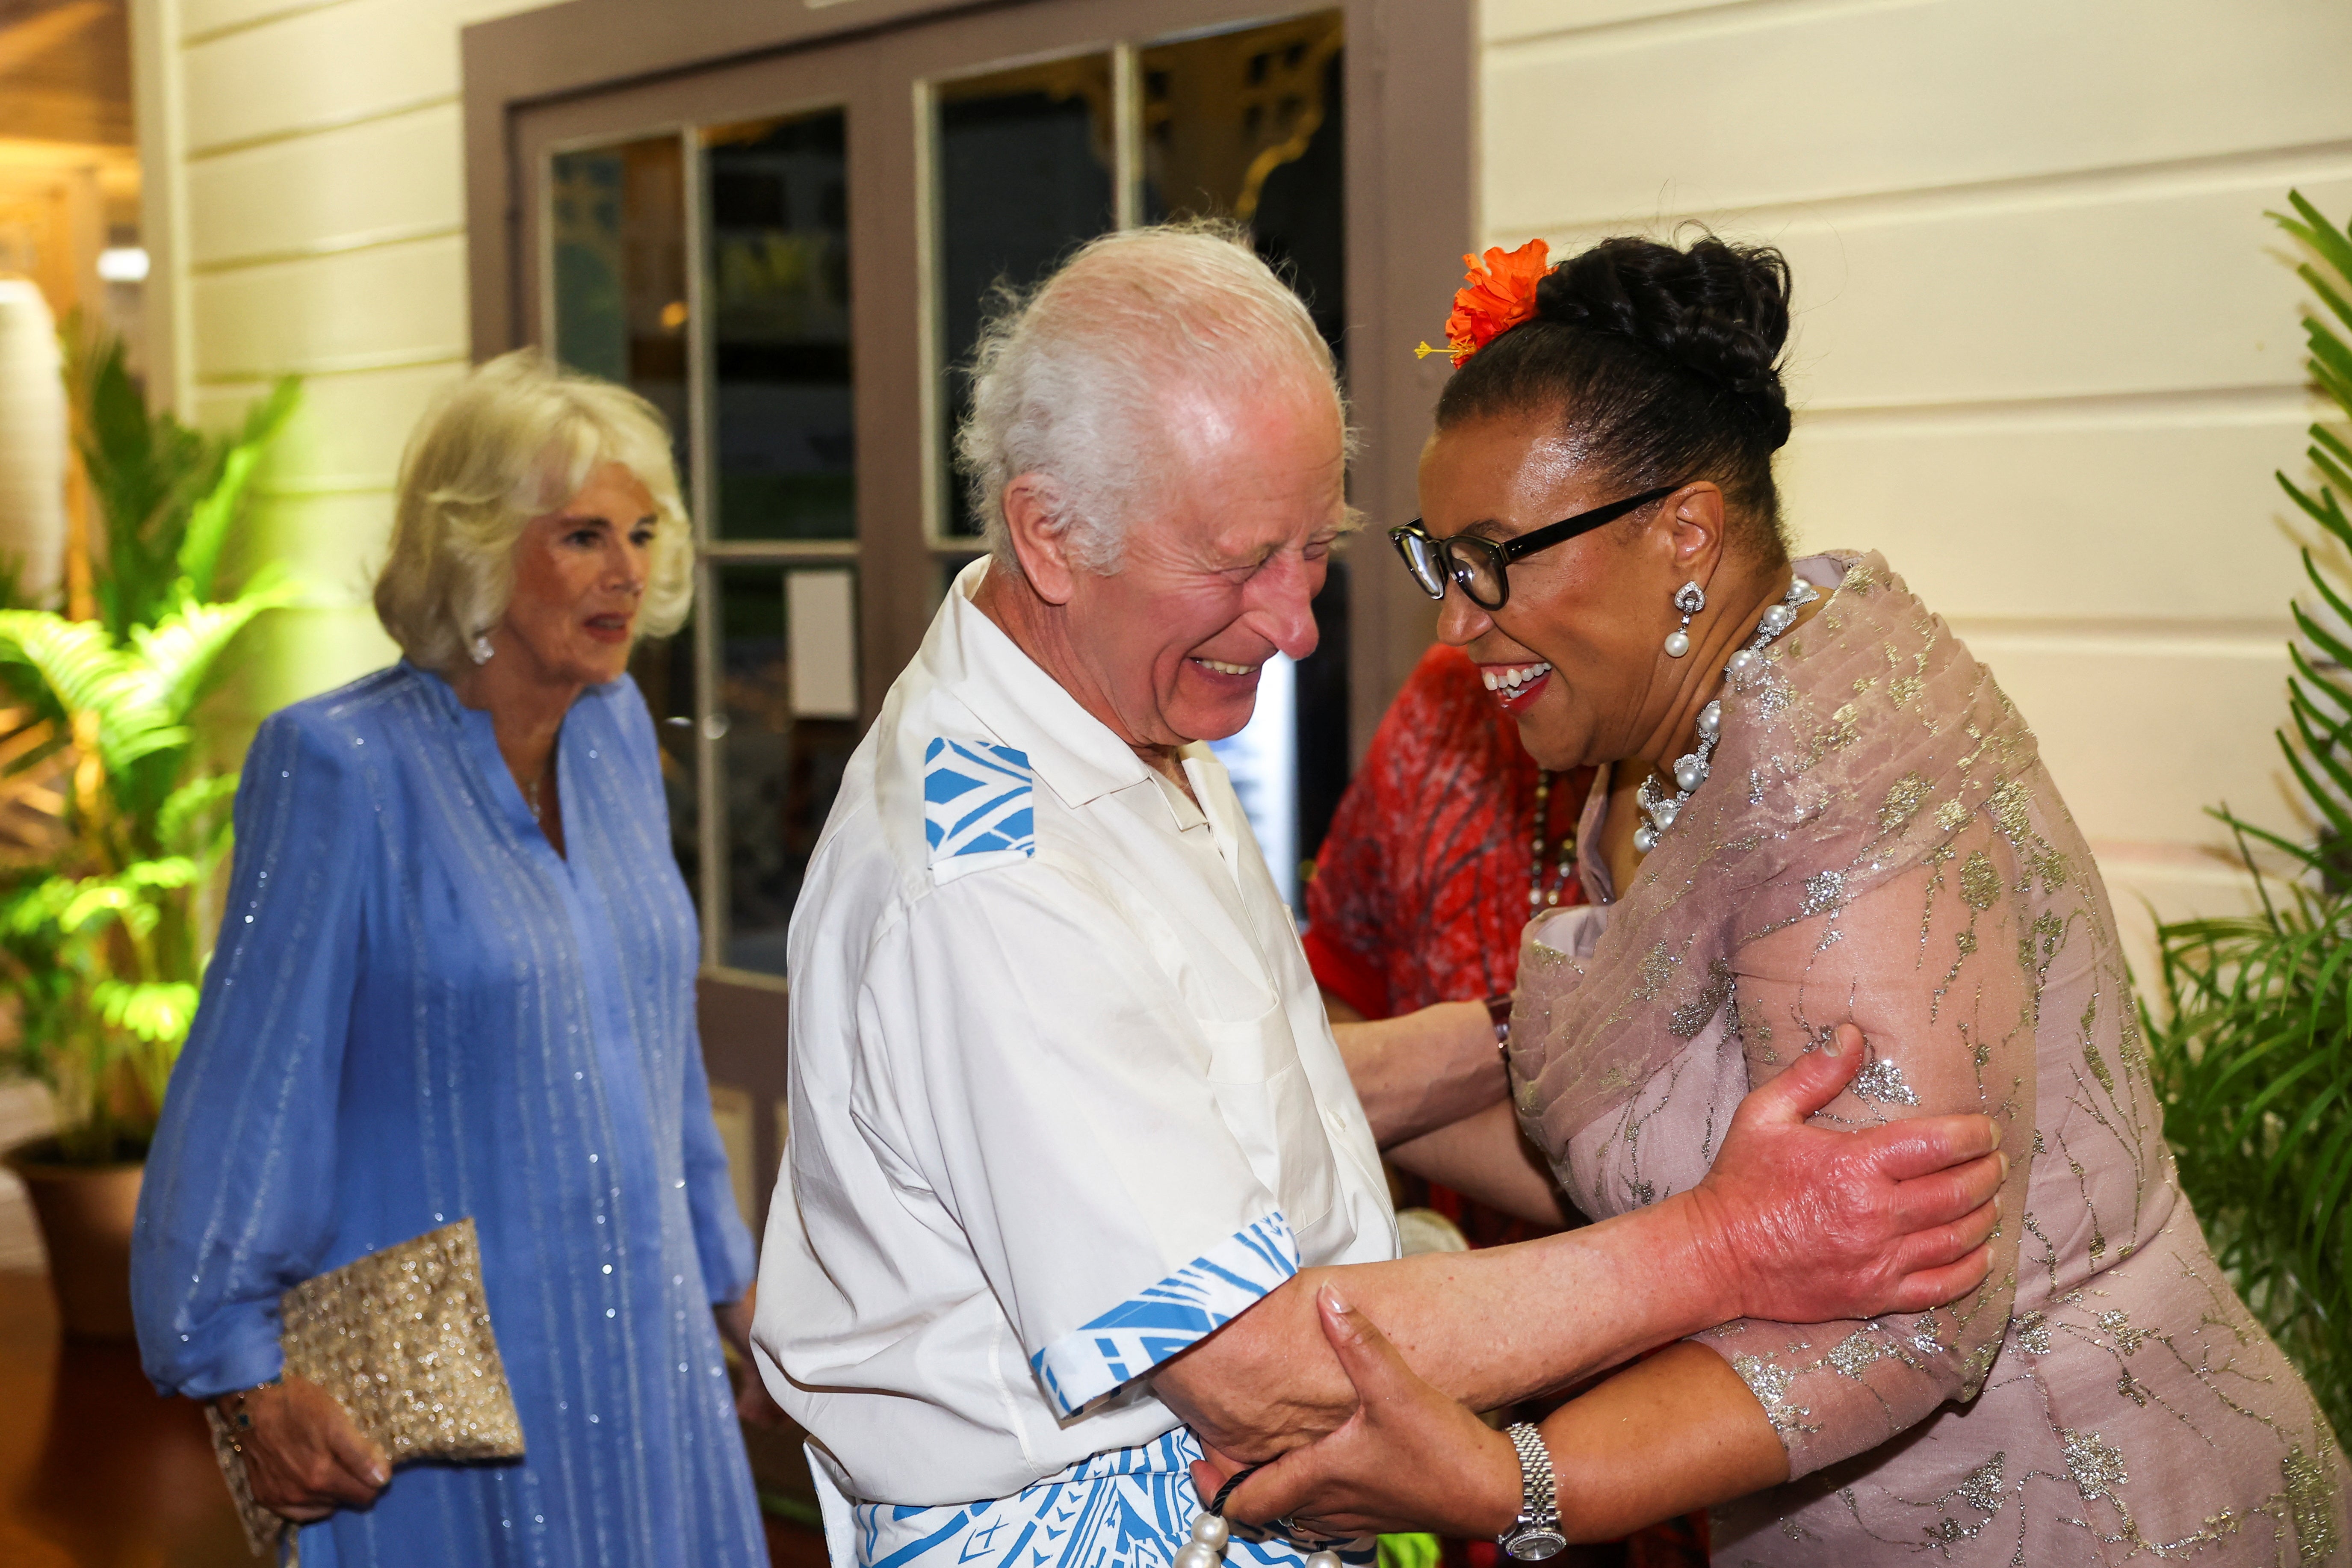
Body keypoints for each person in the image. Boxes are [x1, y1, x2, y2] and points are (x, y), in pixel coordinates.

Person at [754, 223, 2011, 1568]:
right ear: (1049, 535)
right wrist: (1723, 1245)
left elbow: (1242, 1080)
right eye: (1241, 561)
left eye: (1317, 547)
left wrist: (1576, 1030)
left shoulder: (1118, 708)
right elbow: (1257, 1368)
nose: (1296, 625)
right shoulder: (989, 878)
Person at [1207, 236, 2350, 1564]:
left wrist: (1510, 1480)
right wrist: (1286, 1092)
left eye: (1492, 560)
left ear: (1682, 533)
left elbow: (1908, 1315)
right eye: (1436, 560)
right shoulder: (1648, 754)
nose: (1453, 626)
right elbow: (1651, 1141)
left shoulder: (1841, 782)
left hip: (2078, 1506)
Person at [130, 351, 773, 1566]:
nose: (628, 570)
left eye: (642, 532)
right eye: (583, 534)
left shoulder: (617, 736)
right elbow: (248, 1093)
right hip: (451, 1398)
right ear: (475, 546)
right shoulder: (337, 766)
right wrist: (241, 1371)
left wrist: (726, 1280)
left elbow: (657, 1049)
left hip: (642, 1350)